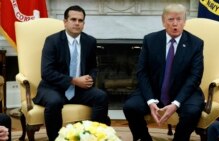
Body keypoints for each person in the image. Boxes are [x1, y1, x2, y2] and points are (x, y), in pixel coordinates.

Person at [123, 3, 205, 141]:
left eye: (179, 19)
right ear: (163, 21)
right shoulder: (150, 40)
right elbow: (142, 72)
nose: (175, 24)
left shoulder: (196, 43)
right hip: (154, 90)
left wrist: (176, 103)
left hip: (184, 92)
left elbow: (195, 77)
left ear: (184, 21)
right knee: (130, 107)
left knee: (192, 111)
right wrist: (150, 100)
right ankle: (144, 138)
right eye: (171, 19)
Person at [33, 5, 110, 141]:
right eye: (73, 19)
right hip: (53, 87)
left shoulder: (90, 41)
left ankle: (92, 136)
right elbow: (46, 72)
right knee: (54, 102)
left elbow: (93, 67)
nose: (77, 23)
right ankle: (56, 139)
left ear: (84, 24)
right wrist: (73, 80)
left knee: (101, 96)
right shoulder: (52, 41)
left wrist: (89, 79)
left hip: (79, 89)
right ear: (65, 22)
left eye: (80, 20)